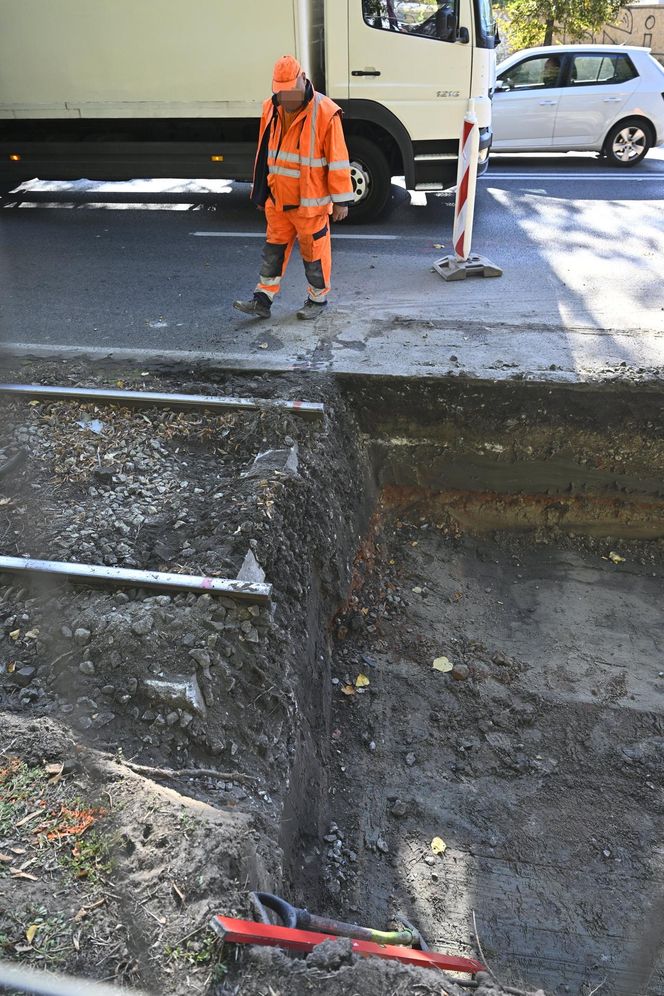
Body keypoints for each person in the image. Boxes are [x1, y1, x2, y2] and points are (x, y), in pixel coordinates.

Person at [233, 55, 354, 321]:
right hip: (277, 201)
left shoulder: (325, 112)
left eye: (290, 92)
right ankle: (262, 300)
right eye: (280, 92)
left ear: (302, 80)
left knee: (314, 256)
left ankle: (317, 300)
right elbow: (265, 151)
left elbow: (338, 158)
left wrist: (342, 201)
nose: (286, 98)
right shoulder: (270, 107)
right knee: (273, 253)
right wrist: (261, 191)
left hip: (309, 204)